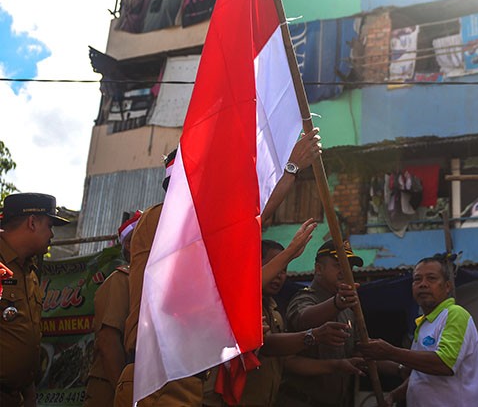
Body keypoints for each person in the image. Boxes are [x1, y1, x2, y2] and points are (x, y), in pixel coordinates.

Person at [116, 129, 323, 406]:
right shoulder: (165, 221)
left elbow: (248, 220)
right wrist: (286, 255)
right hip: (161, 376)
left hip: (181, 374)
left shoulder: (183, 226)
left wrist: (291, 169)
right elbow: (239, 237)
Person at [204, 239, 365, 407]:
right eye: (338, 265)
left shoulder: (274, 311)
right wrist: (319, 329)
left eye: (284, 269)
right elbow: (295, 326)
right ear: (318, 269)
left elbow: (282, 358)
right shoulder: (238, 304)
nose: (279, 275)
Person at [358, 254, 478, 407]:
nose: (423, 284)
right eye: (417, 279)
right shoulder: (424, 323)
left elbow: (444, 364)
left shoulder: (454, 314)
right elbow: (419, 375)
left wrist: (390, 352)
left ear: (448, 286)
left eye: (431, 278)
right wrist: (393, 396)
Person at [0, 193, 69, 407]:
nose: (52, 234)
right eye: (50, 225)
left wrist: (29, 395)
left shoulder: (29, 270)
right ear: (32, 222)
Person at [277, 239, 364, 407]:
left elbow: (357, 349)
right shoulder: (306, 297)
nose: (345, 271)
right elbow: (303, 319)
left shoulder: (348, 308)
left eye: (349, 267)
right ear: (318, 269)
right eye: (338, 265)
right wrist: (336, 303)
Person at [84, 211, 141, 407]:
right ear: (129, 245)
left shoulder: (144, 282)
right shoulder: (121, 280)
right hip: (110, 393)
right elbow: (108, 341)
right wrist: (125, 394)